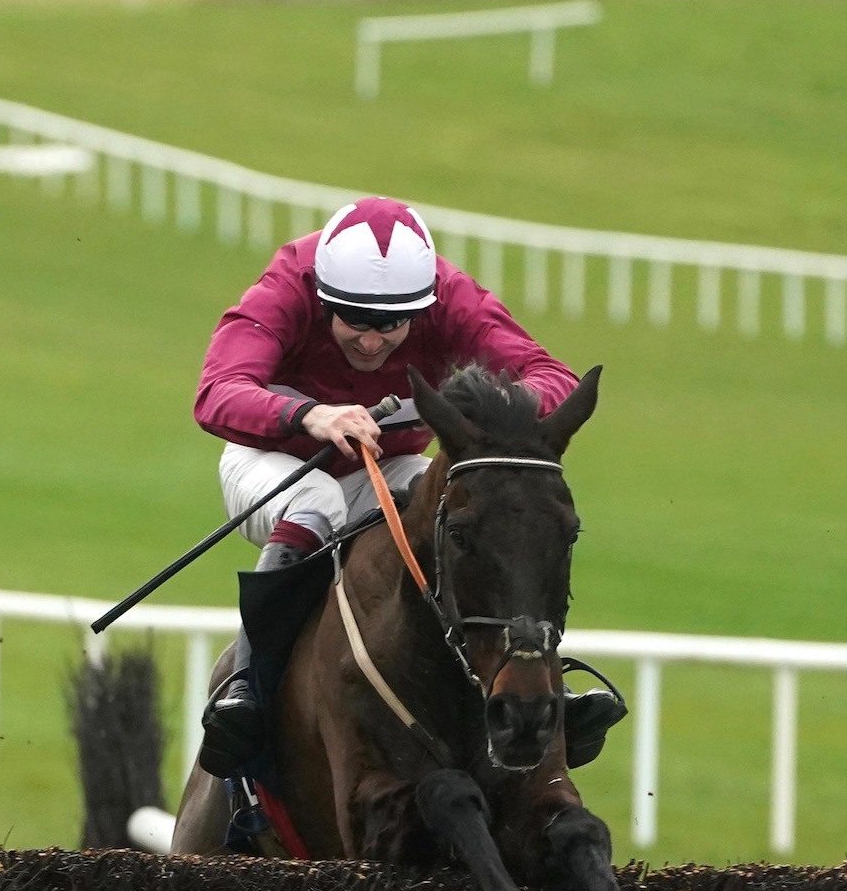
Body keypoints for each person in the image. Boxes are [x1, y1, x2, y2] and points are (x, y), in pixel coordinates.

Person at [191, 194, 622, 778]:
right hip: (274, 462)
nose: (372, 343)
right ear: (323, 298)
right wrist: (309, 416)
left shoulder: (451, 296)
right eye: (356, 323)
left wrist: (487, 414)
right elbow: (217, 389)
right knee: (317, 497)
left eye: (392, 326)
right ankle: (247, 689)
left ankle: (526, 682)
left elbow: (552, 378)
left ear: (421, 307)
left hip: (384, 466)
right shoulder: (290, 282)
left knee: (462, 506)